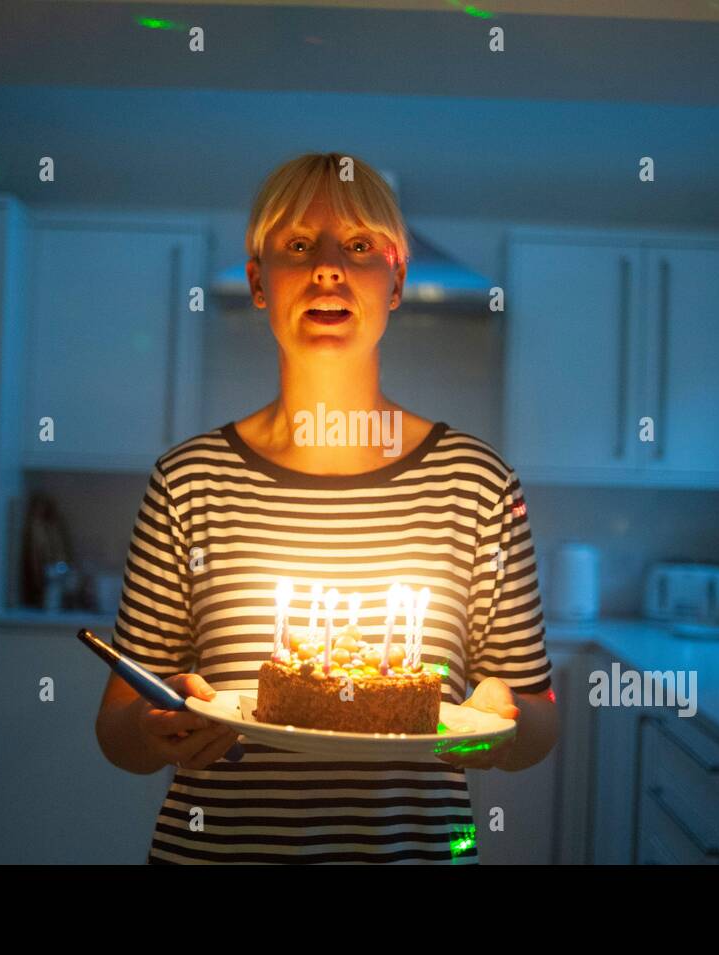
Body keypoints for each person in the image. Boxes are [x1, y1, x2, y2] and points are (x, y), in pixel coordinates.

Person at [95, 152, 557, 863]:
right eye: (299, 246)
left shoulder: (478, 482)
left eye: (361, 246)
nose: (329, 268)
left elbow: (539, 718)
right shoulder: (189, 481)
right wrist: (157, 729)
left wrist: (502, 726)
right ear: (258, 281)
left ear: (397, 278)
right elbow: (118, 726)